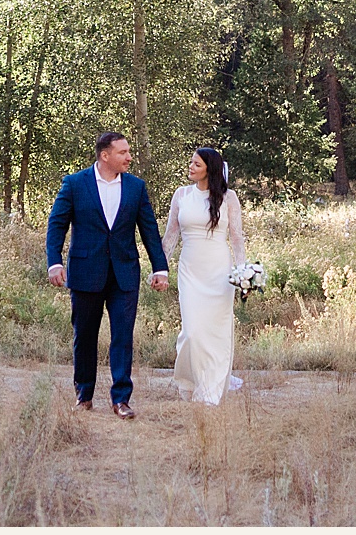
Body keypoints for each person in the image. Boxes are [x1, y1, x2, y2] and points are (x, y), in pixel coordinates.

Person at [44, 131, 168, 419]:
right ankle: (84, 396)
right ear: (105, 155)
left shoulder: (136, 187)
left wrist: (159, 268)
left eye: (128, 152)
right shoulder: (75, 184)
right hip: (86, 272)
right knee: (84, 336)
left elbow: (149, 229)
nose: (129, 157)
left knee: (122, 336)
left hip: (124, 274)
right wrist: (54, 262)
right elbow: (56, 225)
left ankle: (121, 399)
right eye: (123, 152)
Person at [165, 145, 247, 405]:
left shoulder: (229, 197)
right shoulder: (181, 195)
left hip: (219, 273)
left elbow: (236, 237)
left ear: (209, 169)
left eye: (196, 164)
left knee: (216, 332)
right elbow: (170, 236)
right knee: (193, 331)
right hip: (190, 271)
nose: (190, 167)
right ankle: (191, 379)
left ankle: (209, 390)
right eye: (191, 162)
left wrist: (242, 271)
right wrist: (160, 267)